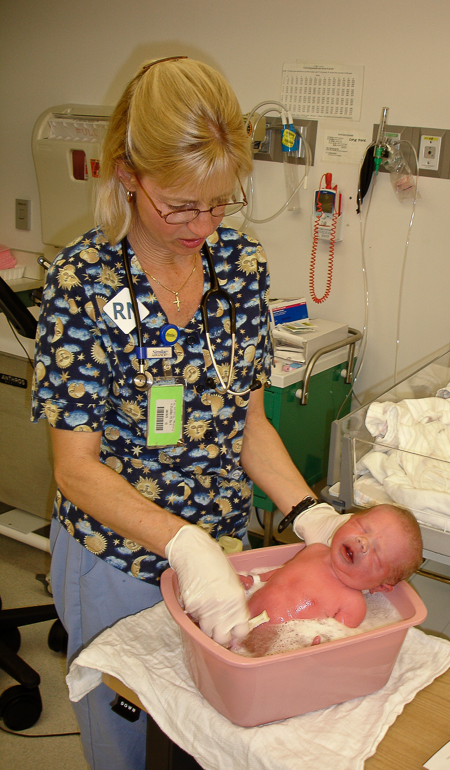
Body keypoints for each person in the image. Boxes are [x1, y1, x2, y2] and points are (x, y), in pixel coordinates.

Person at [30, 56, 345, 770]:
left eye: (219, 203)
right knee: (127, 741)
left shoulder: (240, 266)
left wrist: (308, 514)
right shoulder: (85, 283)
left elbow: (249, 424)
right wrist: (183, 544)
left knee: (206, 738)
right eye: (180, 206)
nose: (202, 225)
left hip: (224, 551)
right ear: (128, 175)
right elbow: (74, 469)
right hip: (115, 561)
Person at [240, 505, 423, 634]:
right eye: (362, 528)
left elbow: (335, 639)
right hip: (238, 616)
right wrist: (254, 580)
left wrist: (317, 644)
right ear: (347, 520)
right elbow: (281, 573)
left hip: (276, 651)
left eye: (376, 554)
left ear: (380, 587)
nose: (363, 542)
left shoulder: (352, 605)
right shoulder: (314, 550)